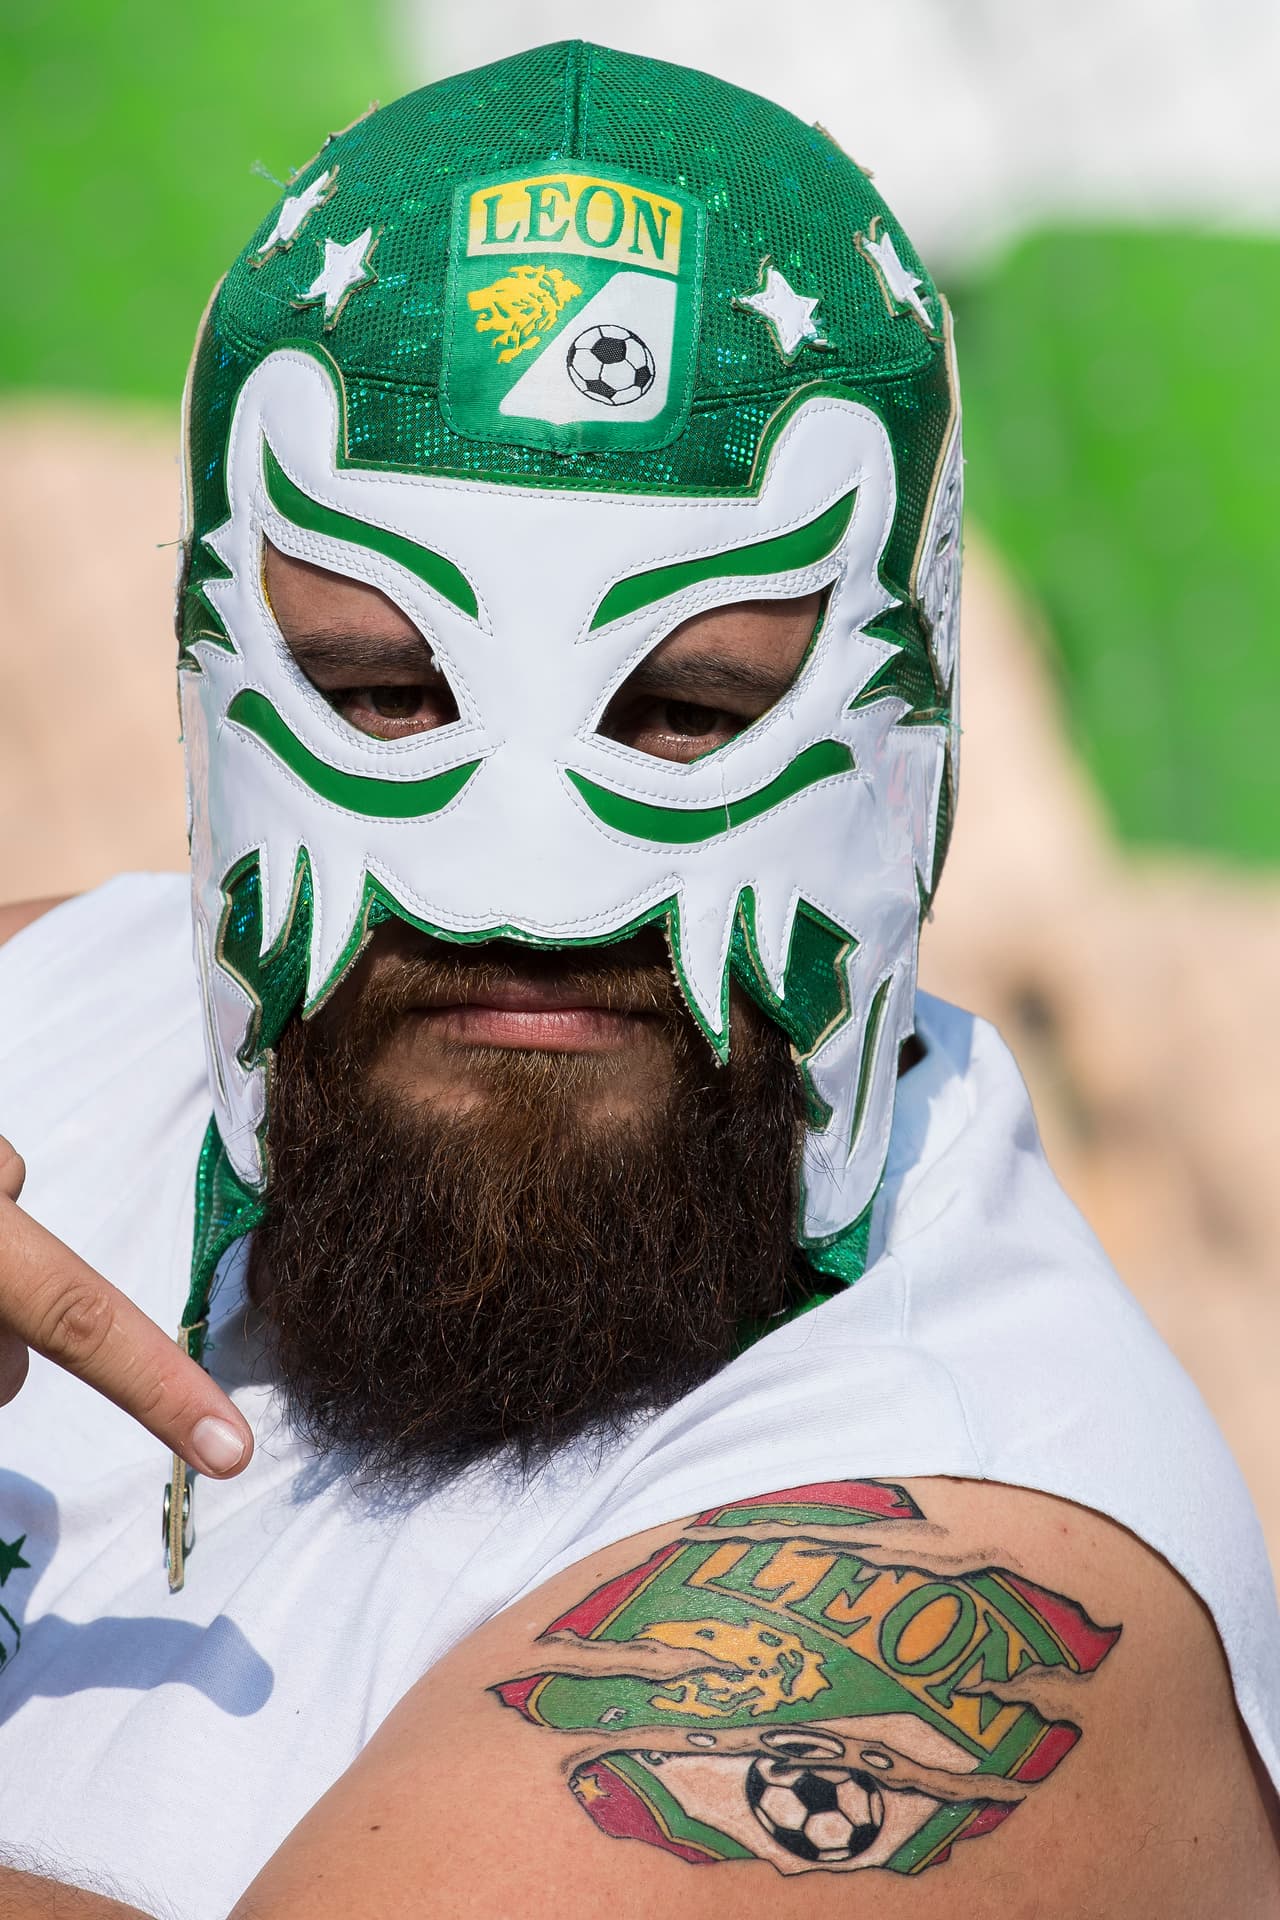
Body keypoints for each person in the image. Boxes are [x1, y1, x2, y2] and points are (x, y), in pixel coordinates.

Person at [0, 39, 1277, 1920]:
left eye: (689, 716)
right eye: (383, 695)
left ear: (917, 747)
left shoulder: (963, 1582)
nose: (524, 896)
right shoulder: (66, 1008)